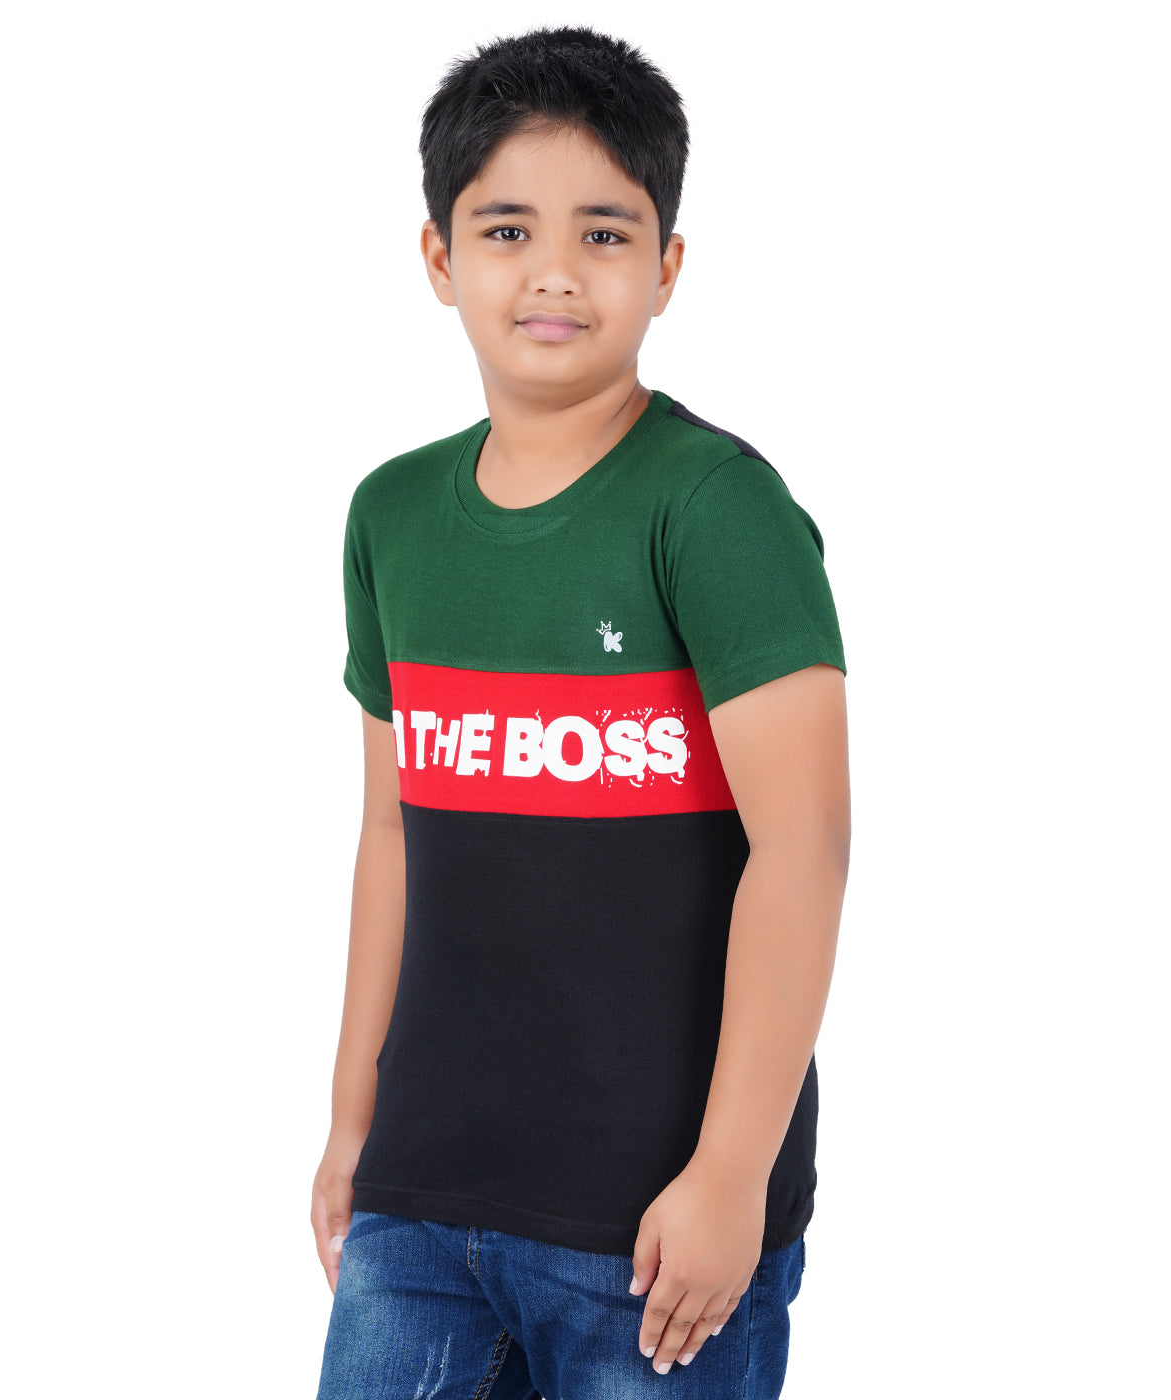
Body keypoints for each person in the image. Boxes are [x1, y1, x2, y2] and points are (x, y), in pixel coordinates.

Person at [310, 24, 850, 1400]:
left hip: (655, 1229)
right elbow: (392, 832)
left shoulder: (715, 508)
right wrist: (351, 1127)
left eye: (605, 234)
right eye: (507, 229)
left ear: (667, 267)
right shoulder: (390, 514)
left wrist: (731, 1175)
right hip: (419, 1201)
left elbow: (803, 849)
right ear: (440, 257)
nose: (554, 270)